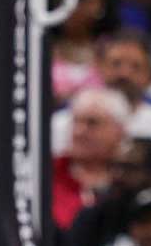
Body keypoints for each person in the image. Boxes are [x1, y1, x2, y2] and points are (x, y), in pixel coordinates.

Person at [53, 31, 151, 197]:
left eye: (135, 66)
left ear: (150, 74)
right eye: (116, 64)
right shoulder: (63, 120)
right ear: (99, 67)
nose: (124, 74)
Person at [53, 87, 130, 231]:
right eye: (75, 122)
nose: (78, 132)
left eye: (92, 123)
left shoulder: (131, 179)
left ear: (120, 131)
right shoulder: (45, 173)